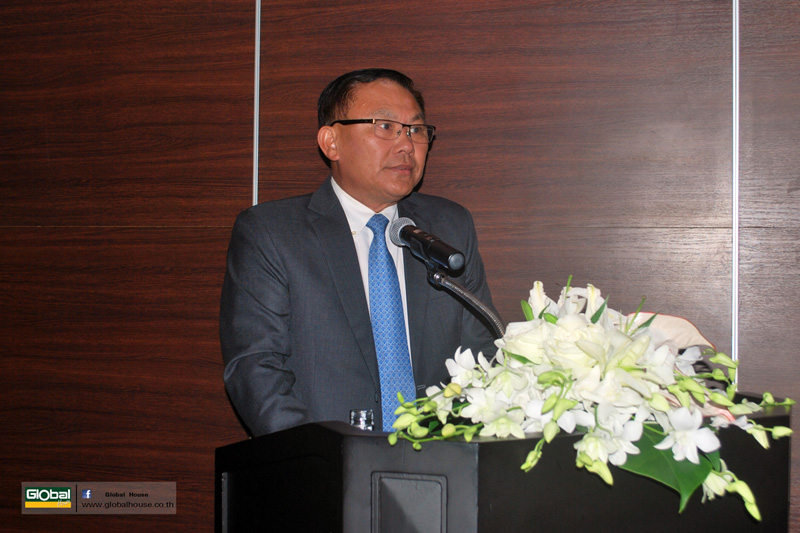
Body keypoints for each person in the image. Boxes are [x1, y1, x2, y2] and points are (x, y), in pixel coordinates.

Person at [220, 68, 498, 436]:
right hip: (322, 463)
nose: (406, 145)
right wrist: (322, 460)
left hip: (440, 460)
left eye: (416, 130)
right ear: (331, 142)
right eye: (385, 126)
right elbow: (256, 370)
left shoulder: (449, 227)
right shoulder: (272, 233)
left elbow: (483, 353)